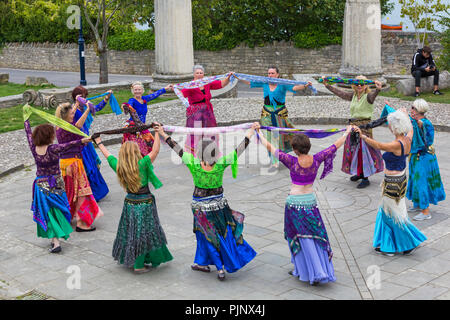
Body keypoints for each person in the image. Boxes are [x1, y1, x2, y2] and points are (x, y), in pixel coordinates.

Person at [156, 123, 258, 281]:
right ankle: (201, 263)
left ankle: (219, 268)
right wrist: (250, 132)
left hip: (200, 208)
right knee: (221, 234)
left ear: (198, 153)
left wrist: (162, 133)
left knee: (207, 236)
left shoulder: (193, 163)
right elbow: (238, 150)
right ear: (215, 153)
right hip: (220, 207)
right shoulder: (221, 163)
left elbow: (175, 147)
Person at [256, 123, 352, 285]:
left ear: (295, 149)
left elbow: (270, 147)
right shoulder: (317, 158)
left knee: (301, 238)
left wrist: (258, 132)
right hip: (310, 203)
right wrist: (347, 132)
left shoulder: (291, 161)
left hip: (294, 204)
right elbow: (335, 146)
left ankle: (312, 271)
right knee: (314, 236)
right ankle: (310, 269)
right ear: (308, 147)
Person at [94, 124, 173, 274]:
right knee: (143, 233)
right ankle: (139, 265)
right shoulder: (142, 164)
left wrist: (98, 142)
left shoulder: (118, 166)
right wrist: (157, 133)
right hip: (145, 203)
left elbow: (107, 155)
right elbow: (155, 150)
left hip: (130, 203)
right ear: (136, 152)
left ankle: (136, 259)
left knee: (132, 232)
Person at [353, 110, 427, 256]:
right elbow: (411, 128)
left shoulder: (396, 144)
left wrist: (363, 137)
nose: (389, 127)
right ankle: (390, 243)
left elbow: (379, 145)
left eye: (390, 125)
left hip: (392, 182)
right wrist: (405, 115)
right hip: (400, 179)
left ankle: (406, 243)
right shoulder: (408, 139)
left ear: (395, 127)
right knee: (396, 210)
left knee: (391, 212)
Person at [23, 107, 91, 253]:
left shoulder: (34, 148)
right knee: (57, 211)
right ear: (49, 137)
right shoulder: (53, 148)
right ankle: (56, 240)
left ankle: (55, 241)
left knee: (48, 212)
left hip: (41, 185)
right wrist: (83, 140)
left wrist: (26, 118)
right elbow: (69, 145)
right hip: (56, 184)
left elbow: (28, 133)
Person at [239, 67, 313, 172]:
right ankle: (274, 163)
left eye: (272, 73)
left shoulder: (282, 84)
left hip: (280, 115)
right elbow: (250, 82)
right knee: (270, 138)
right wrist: (237, 77)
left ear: (278, 74)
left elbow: (295, 88)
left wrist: (305, 85)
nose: (270, 75)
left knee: (287, 135)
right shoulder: (264, 83)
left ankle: (294, 154)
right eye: (268, 73)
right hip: (266, 115)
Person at [322, 75, 384, 188]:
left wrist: (378, 89)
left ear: (366, 85)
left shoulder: (368, 96)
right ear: (353, 84)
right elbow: (340, 93)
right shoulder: (354, 95)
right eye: (357, 83)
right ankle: (359, 173)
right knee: (355, 150)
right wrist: (327, 86)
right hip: (353, 126)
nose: (359, 85)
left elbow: (373, 95)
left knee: (364, 151)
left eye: (362, 83)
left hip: (364, 128)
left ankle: (365, 177)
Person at [55, 103, 103, 232]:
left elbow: (76, 126)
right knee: (82, 192)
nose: (73, 115)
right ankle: (81, 223)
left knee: (71, 192)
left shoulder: (60, 126)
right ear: (65, 116)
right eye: (71, 114)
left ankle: (67, 218)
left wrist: (80, 108)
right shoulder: (66, 127)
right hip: (73, 164)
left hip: (66, 164)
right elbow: (78, 127)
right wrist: (87, 110)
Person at [407, 99, 446, 221]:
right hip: (415, 155)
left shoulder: (424, 123)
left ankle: (425, 212)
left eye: (413, 108)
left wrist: (416, 122)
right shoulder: (414, 121)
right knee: (414, 179)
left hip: (424, 157)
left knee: (421, 182)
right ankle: (418, 204)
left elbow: (422, 128)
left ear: (418, 110)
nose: (411, 109)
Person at [70, 86, 112, 202]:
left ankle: (96, 191)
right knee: (86, 167)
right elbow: (74, 123)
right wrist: (77, 104)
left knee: (93, 165)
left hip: (87, 141)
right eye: (82, 96)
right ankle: (88, 194)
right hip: (80, 143)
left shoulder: (84, 108)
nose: (85, 99)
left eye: (85, 96)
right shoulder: (73, 111)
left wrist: (106, 98)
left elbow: (96, 108)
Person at [181, 65, 234, 154]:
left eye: (201, 73)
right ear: (194, 74)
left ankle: (210, 152)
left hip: (207, 111)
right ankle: (192, 153)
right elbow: (183, 93)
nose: (199, 74)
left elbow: (221, 84)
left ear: (203, 74)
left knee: (210, 131)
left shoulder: (207, 82)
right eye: (197, 73)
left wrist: (228, 78)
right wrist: (180, 87)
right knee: (195, 133)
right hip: (195, 112)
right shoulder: (190, 85)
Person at [123, 81, 173, 156]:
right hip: (133, 126)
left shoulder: (144, 99)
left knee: (150, 143)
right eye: (135, 90)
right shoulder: (132, 100)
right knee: (136, 147)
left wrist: (165, 88)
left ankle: (143, 159)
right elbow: (128, 105)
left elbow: (155, 94)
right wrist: (125, 106)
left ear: (142, 91)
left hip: (142, 126)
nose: (137, 91)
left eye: (139, 90)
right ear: (133, 91)